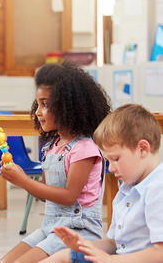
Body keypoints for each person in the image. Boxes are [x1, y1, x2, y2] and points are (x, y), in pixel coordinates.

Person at [0, 62, 111, 263]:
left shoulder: (84, 148)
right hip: (50, 227)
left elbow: (69, 197)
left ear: (69, 106)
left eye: (46, 104)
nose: (38, 112)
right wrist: (18, 178)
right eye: (38, 104)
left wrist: (23, 181)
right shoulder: (52, 146)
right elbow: (46, 194)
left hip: (79, 231)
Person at [41, 104, 163, 263]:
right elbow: (114, 244)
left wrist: (112, 261)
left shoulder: (158, 188)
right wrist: (84, 246)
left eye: (116, 159)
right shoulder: (126, 188)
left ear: (142, 148)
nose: (111, 168)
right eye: (108, 161)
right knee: (63, 256)